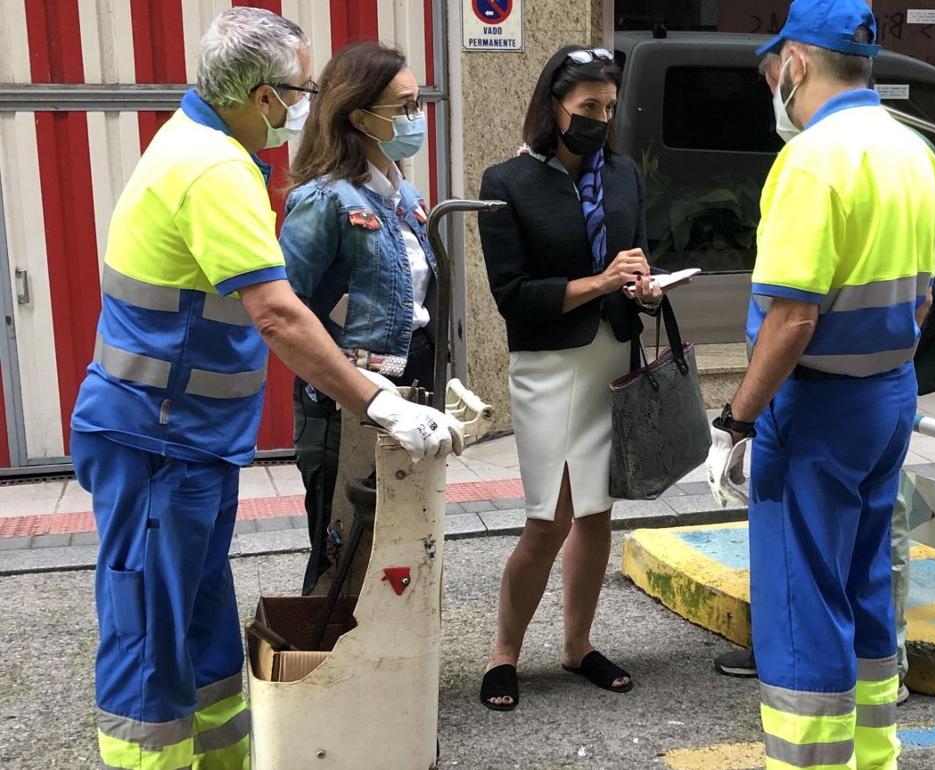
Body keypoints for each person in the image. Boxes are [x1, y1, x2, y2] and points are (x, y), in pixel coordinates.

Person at [69, 9, 459, 769]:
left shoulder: (206, 153)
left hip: (186, 441)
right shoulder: (212, 168)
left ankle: (220, 757)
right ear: (260, 95)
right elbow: (280, 313)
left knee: (201, 624)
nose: (306, 102)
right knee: (152, 631)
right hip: (156, 439)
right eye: (300, 88)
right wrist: (376, 401)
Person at [704, 1, 935, 767]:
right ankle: (873, 756)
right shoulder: (914, 153)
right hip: (889, 396)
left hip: (815, 407)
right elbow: (928, 293)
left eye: (775, 68)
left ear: (798, 63)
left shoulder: (812, 160)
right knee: (866, 580)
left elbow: (790, 321)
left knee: (804, 598)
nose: (773, 83)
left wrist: (738, 420)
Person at [475, 44, 664, 711]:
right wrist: (599, 281)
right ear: (552, 106)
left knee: (596, 513)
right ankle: (504, 653)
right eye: (588, 108)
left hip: (612, 352)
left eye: (608, 108)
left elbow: (636, 262)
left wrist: (644, 289)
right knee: (548, 519)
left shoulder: (621, 177)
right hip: (548, 367)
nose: (600, 120)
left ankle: (577, 644)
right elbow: (513, 296)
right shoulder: (506, 183)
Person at [281, 42, 440, 596]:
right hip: (344, 399)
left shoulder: (405, 195)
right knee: (341, 550)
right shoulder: (322, 200)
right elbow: (286, 307)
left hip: (410, 388)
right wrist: (352, 381)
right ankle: (322, 671)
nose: (416, 118)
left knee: (399, 544)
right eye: (405, 106)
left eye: (418, 103)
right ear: (359, 115)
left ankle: (386, 672)